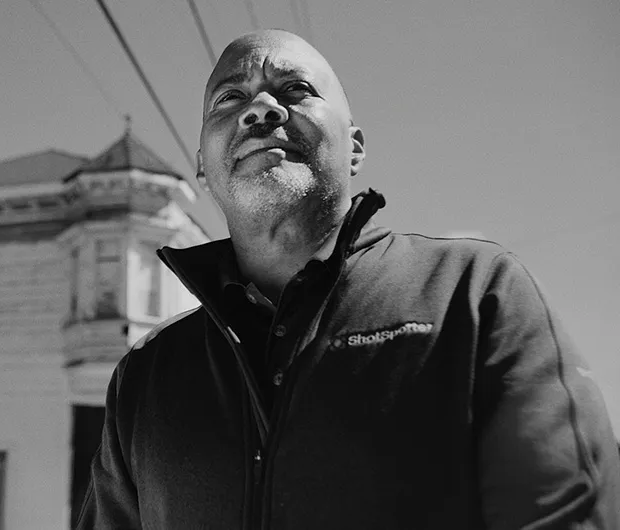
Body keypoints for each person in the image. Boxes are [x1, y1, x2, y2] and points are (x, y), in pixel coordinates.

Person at [79, 29, 620, 529]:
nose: (262, 109)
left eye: (295, 88)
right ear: (202, 163)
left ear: (355, 146)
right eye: (230, 98)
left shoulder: (475, 294)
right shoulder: (145, 379)